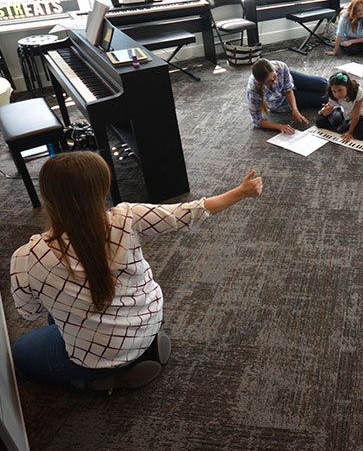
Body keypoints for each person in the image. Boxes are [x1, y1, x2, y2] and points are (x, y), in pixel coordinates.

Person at [10, 152, 263, 390]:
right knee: (55, 320)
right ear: (102, 189)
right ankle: (144, 349)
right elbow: (189, 212)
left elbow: (30, 312)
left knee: (21, 352)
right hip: (148, 320)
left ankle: (102, 379)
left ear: (48, 198)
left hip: (100, 354)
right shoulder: (126, 218)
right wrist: (241, 192)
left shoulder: (27, 258)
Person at [247, 59, 327, 134]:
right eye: (270, 82)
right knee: (323, 98)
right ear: (262, 83)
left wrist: (294, 109)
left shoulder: (280, 66)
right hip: (281, 101)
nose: (275, 82)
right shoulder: (253, 88)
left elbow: (288, 90)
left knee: (324, 85)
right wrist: (279, 126)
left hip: (288, 86)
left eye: (275, 77)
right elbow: (257, 121)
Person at [315, 71, 363, 141]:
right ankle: (348, 125)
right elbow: (329, 106)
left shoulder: (358, 92)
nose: (337, 94)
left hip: (360, 114)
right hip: (344, 113)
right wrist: (324, 112)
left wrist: (350, 132)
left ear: (348, 87)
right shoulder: (333, 94)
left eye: (340, 90)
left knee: (361, 133)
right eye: (334, 91)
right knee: (320, 121)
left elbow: (356, 114)